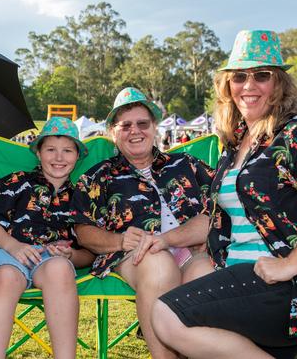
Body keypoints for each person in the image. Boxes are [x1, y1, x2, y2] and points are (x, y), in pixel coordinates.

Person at [151, 30, 297, 359]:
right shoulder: (236, 144)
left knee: (165, 316)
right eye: (239, 76)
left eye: (261, 75)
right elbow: (216, 218)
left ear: (279, 83)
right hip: (241, 280)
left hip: (285, 287)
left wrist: (289, 265)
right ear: (227, 85)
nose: (249, 85)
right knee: (191, 286)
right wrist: (167, 239)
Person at [72, 87, 216, 358]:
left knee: (207, 273)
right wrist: (119, 240)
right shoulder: (100, 176)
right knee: (159, 264)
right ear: (113, 133)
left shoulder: (186, 164)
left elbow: (218, 209)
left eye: (142, 123)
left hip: (191, 250)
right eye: (125, 125)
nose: (135, 131)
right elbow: (83, 231)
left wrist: (189, 237)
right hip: (135, 255)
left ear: (154, 128)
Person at [0, 117, 94, 359]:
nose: (59, 158)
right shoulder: (16, 181)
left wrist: (71, 254)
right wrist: (13, 246)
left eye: (67, 151)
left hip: (49, 260)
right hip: (4, 251)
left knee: (61, 268)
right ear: (38, 153)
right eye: (51, 149)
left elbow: (88, 253)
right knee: (8, 277)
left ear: (77, 157)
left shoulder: (81, 198)